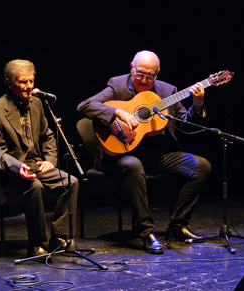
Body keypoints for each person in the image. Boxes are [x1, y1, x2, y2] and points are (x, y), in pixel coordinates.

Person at [76, 50, 211, 254]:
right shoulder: (117, 85)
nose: (144, 79)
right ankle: (145, 231)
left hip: (158, 155)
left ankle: (177, 226)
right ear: (132, 67)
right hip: (121, 154)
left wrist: (198, 105)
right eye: (140, 73)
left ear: (157, 74)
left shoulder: (168, 91)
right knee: (133, 165)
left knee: (201, 166)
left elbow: (186, 125)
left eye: (150, 75)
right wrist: (117, 112)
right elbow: (85, 106)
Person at [0, 59, 79, 259]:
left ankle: (59, 237)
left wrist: (50, 159)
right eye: (23, 82)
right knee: (34, 186)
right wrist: (18, 167)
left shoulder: (38, 103)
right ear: (10, 84)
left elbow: (48, 136)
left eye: (31, 81)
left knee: (71, 182)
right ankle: (36, 243)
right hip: (11, 169)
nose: (29, 86)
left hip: (37, 164)